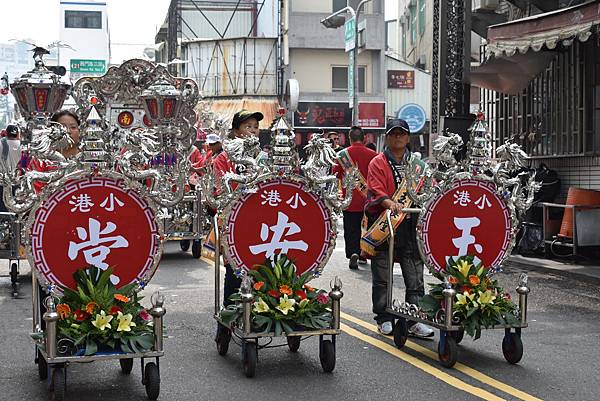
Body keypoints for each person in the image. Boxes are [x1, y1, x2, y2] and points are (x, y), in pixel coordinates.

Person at [364, 118, 434, 338]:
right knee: (382, 275)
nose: (398, 137)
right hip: (386, 223)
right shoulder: (377, 162)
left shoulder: (419, 165)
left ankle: (415, 318)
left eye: (401, 134)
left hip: (412, 224)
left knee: (415, 275)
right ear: (387, 137)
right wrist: (391, 204)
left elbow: (428, 190)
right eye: (393, 133)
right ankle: (384, 317)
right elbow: (376, 190)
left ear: (408, 137)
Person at [212, 109, 263, 307]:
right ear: (235, 131)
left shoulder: (263, 157)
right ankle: (229, 317)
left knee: (260, 270)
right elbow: (220, 191)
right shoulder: (223, 159)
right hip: (233, 222)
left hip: (260, 223)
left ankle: (257, 314)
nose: (253, 131)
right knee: (234, 272)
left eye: (256, 127)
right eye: (248, 126)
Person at [333, 126, 377, 269]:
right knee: (367, 228)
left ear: (350, 138)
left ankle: (353, 252)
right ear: (364, 138)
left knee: (351, 229)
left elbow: (336, 176)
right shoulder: (374, 155)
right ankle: (364, 254)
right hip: (370, 201)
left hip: (350, 200)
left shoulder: (341, 155)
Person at [0, 124, 22, 212]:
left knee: (2, 206)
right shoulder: (22, 146)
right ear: (17, 134)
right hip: (16, 181)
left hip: (2, 181)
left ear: (6, 133)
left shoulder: (1, 143)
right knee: (15, 206)